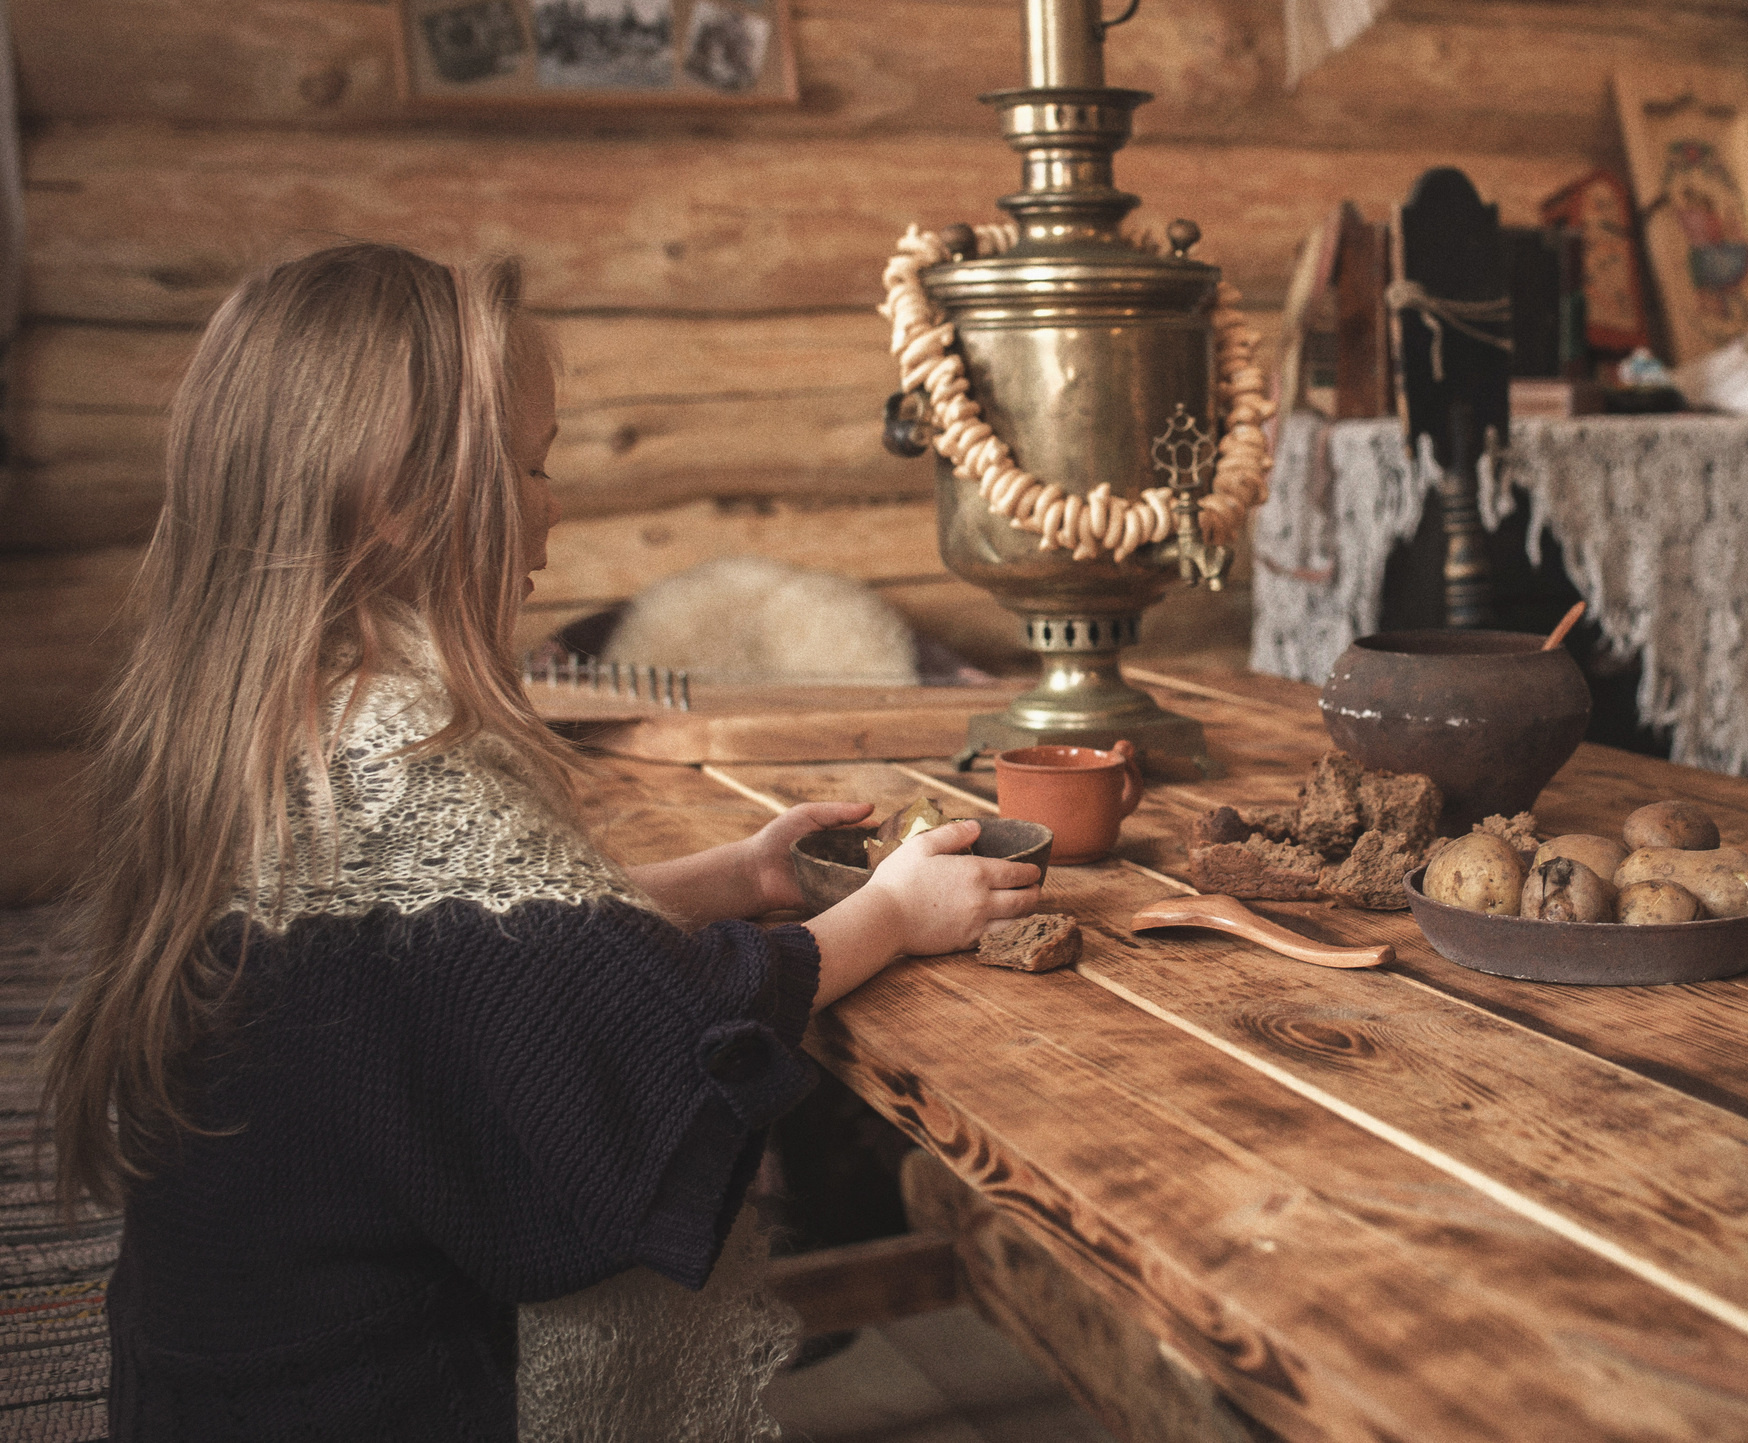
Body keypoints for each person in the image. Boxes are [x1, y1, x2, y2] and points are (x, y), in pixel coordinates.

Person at [39, 244, 1044, 1439]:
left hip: (209, 1377)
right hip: (371, 1398)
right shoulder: (399, 749)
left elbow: (447, 962)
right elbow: (632, 1030)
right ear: (400, 499)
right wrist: (889, 915)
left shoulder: (279, 709)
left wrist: (734, 876)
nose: (552, 499)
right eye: (530, 462)